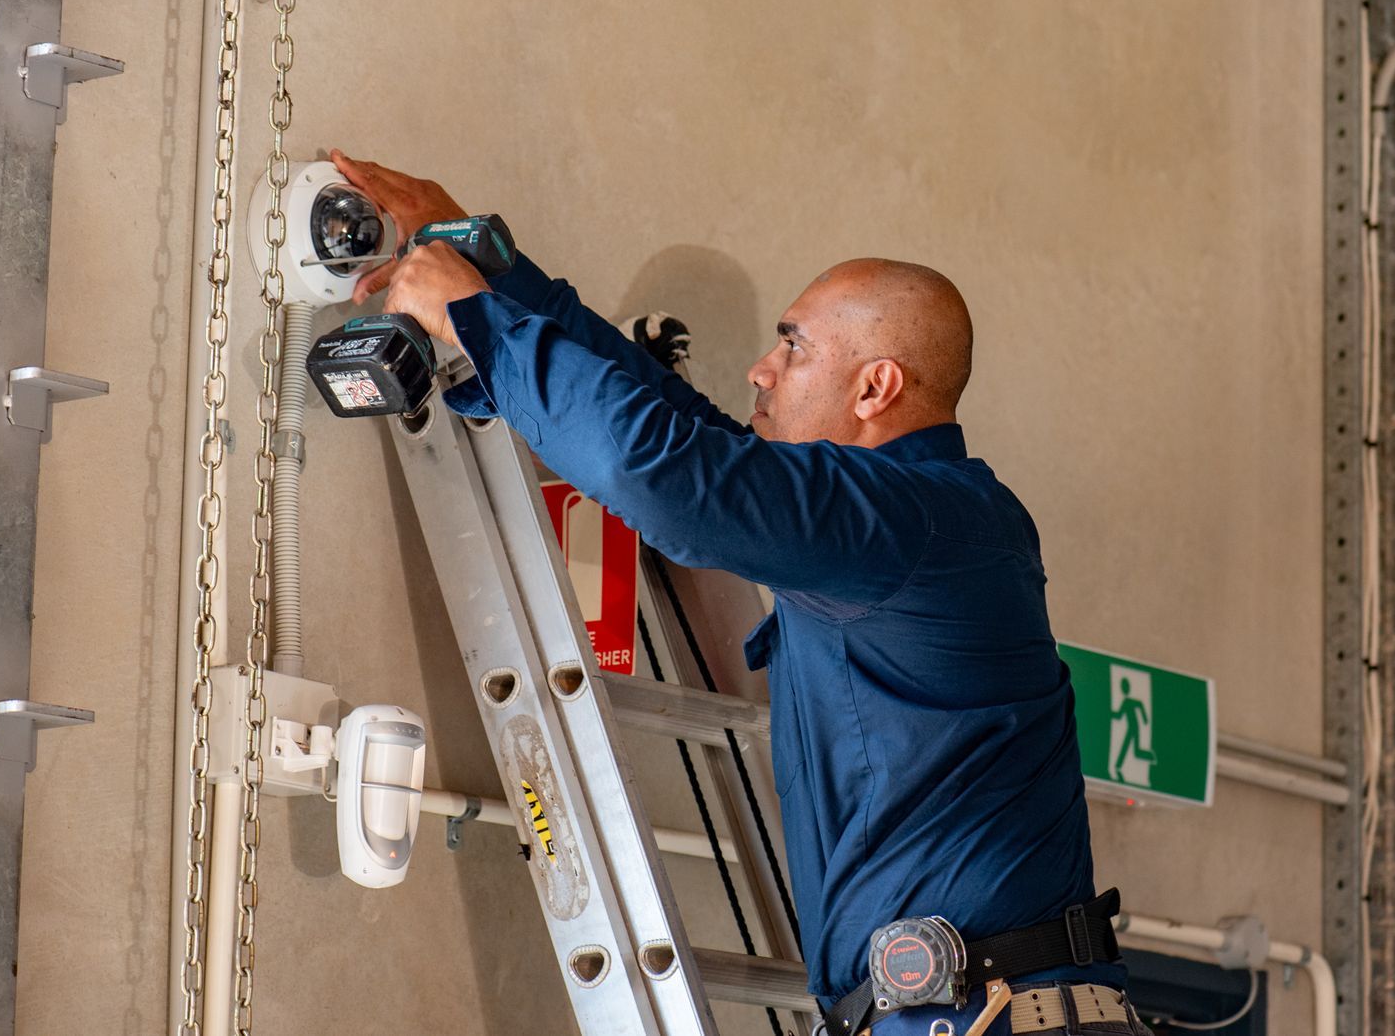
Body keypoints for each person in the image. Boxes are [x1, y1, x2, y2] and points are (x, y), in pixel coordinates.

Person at [329, 150, 1145, 1036]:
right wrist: (500, 281)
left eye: (792, 345)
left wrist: (474, 319)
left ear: (876, 387)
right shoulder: (883, 526)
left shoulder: (922, 522)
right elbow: (695, 441)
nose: (760, 368)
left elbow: (672, 476)